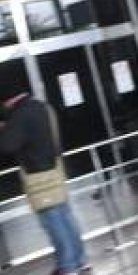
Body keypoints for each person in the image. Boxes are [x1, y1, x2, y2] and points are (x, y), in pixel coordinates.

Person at [0, 91, 90, 275]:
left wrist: (4, 129)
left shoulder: (21, 114)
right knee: (66, 217)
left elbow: (8, 145)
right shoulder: (44, 107)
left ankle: (68, 267)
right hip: (55, 170)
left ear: (10, 98)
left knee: (53, 222)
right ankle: (80, 261)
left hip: (38, 177)